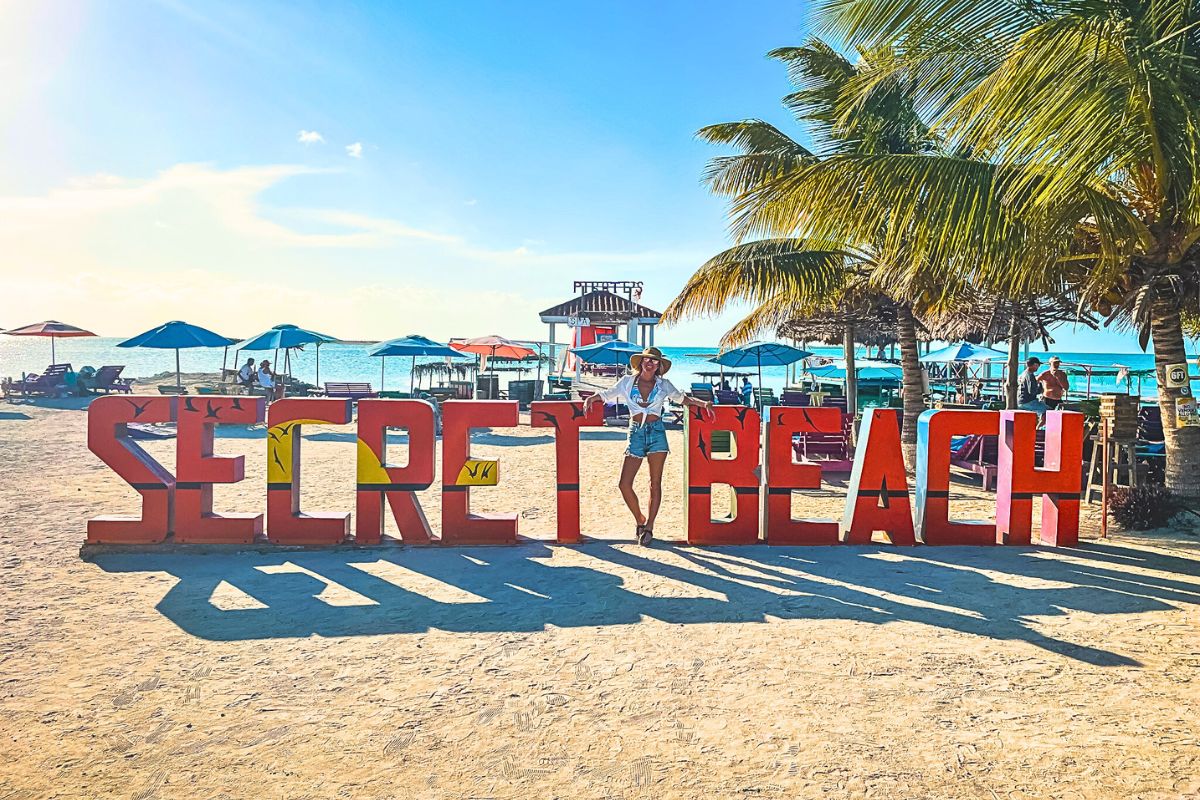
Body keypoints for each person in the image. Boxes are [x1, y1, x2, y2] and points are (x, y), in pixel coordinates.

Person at [583, 346, 714, 545]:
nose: (650, 363)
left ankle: (649, 527)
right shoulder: (627, 382)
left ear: (659, 366)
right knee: (624, 484)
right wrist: (592, 398)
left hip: (657, 432)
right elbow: (608, 394)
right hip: (635, 432)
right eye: (647, 359)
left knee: (655, 483)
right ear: (641, 362)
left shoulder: (664, 385)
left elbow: (682, 399)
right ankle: (640, 519)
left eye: (654, 361)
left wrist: (703, 404)